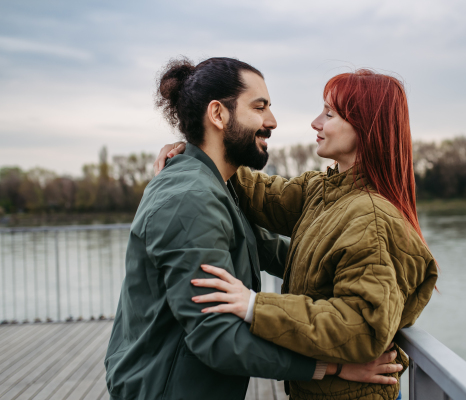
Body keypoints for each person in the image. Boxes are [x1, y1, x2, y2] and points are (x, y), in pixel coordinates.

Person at [104, 57, 402, 400]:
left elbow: (284, 253)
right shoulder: (191, 199)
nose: (272, 121)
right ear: (218, 115)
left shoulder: (216, 188)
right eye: (260, 107)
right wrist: (330, 367)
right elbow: (216, 338)